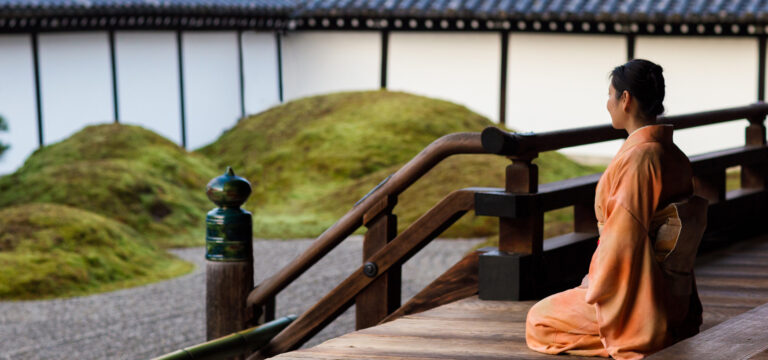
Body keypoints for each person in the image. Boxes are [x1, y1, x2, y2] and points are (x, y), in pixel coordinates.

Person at [525, 59, 705, 360]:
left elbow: (623, 240)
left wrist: (594, 288)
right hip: (676, 293)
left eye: (611, 95)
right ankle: (663, 326)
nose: (607, 103)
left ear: (626, 99)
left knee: (539, 319)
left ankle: (644, 333)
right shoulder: (671, 153)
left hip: (642, 295)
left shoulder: (640, 159)